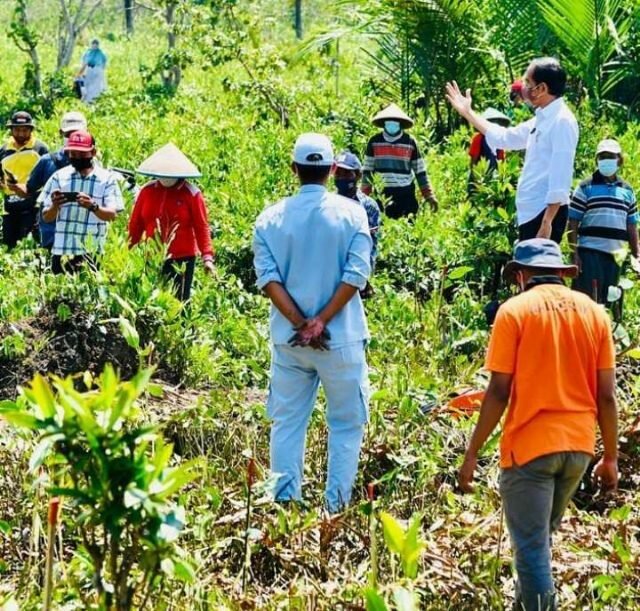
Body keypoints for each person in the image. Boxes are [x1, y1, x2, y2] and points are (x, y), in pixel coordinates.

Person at [458, 238, 618, 611]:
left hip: (530, 450)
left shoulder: (514, 311)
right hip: (578, 449)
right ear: (561, 272)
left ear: (521, 275)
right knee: (537, 545)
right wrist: (610, 457)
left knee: (531, 551)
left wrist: (472, 452)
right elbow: (607, 395)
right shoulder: (595, 313)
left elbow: (499, 391)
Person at [253, 133, 371, 513]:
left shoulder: (269, 219)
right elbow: (357, 275)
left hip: (290, 343)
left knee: (287, 423)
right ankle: (335, 508)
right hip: (341, 340)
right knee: (346, 425)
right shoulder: (352, 214)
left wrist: (301, 323)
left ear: (294, 169)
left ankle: (286, 507)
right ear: (333, 169)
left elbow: (268, 279)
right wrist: (320, 322)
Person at [446, 58, 579, 244]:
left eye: (528, 82)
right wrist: (468, 113)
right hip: (531, 212)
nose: (524, 88)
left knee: (539, 264)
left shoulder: (562, 121)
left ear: (541, 88)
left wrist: (547, 221)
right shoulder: (542, 118)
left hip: (544, 214)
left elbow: (561, 175)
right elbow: (505, 137)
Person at [129, 143, 215, 301]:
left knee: (178, 302)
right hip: (152, 256)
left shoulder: (192, 194)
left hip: (182, 258)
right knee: (151, 300)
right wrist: (128, 249)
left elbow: (201, 227)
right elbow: (136, 224)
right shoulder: (147, 191)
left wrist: (207, 257)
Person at [41, 130, 123, 274]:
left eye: (82, 154)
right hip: (62, 250)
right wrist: (55, 205)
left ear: (93, 152)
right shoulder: (59, 177)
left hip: (92, 252)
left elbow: (112, 215)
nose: (77, 158)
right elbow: (46, 217)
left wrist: (93, 206)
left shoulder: (106, 179)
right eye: (73, 154)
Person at [568, 139, 638, 306]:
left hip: (616, 256)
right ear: (597, 160)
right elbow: (573, 223)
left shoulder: (627, 190)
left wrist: (637, 256)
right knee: (587, 303)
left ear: (619, 160)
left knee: (611, 303)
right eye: (602, 156)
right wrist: (574, 254)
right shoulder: (585, 187)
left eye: (610, 156)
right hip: (589, 254)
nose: (606, 160)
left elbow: (632, 226)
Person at [11, 111, 88, 251]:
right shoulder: (47, 161)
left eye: (77, 133)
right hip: (52, 233)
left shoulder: (95, 163)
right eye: (68, 134)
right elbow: (29, 189)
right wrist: (17, 188)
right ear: (60, 133)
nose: (72, 138)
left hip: (84, 234)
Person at [362, 103, 438, 219]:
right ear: (384, 123)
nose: (392, 124)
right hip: (382, 193)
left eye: (395, 121)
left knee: (408, 225)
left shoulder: (410, 142)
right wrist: (364, 196)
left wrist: (428, 195)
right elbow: (367, 171)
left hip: (405, 193)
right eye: (389, 121)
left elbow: (420, 171)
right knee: (383, 225)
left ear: (400, 123)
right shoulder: (374, 141)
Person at [334, 150, 380, 297]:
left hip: (356, 271)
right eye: (338, 173)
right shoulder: (328, 204)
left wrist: (365, 277)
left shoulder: (368, 206)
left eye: (347, 173)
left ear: (358, 175)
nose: (341, 177)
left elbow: (371, 246)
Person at [0, 111, 49, 249]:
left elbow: (48, 178)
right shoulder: (3, 150)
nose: (21, 134)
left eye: (25, 130)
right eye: (17, 130)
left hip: (33, 208)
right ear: (11, 130)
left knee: (32, 247)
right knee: (9, 247)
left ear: (31, 130)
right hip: (10, 208)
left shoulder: (40, 149)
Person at [467, 108, 510, 196]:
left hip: (491, 175)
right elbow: (474, 160)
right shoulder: (479, 138)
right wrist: (474, 176)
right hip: (481, 174)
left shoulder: (498, 140)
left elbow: (501, 161)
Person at [77, 39, 107, 104]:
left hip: (97, 70)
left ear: (98, 45)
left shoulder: (101, 53)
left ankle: (92, 102)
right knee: (87, 86)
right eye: (93, 44)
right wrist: (80, 73)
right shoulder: (88, 52)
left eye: (96, 44)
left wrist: (101, 71)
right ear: (91, 45)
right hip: (89, 70)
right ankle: (86, 102)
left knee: (96, 87)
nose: (95, 46)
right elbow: (84, 63)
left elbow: (104, 63)